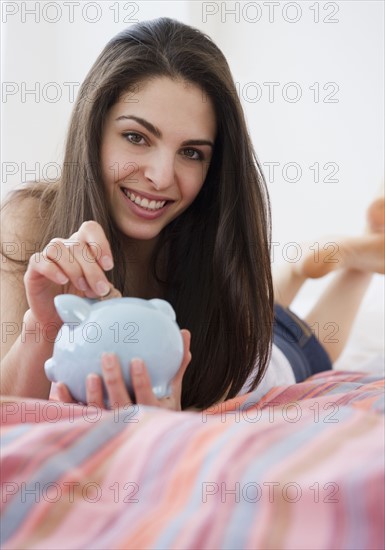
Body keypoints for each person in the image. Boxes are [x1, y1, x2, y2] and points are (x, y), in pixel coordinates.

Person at [1, 18, 384, 411]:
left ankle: (354, 263)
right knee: (276, 316)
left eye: (191, 153)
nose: (161, 177)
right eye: (136, 137)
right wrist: (43, 327)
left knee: (305, 346)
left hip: (264, 345)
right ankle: (318, 262)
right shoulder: (31, 223)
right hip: (252, 320)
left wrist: (171, 424)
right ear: (94, 131)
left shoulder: (207, 226)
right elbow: (6, 407)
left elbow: (201, 416)